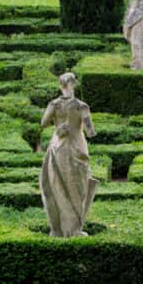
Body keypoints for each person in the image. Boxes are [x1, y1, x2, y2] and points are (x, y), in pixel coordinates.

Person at [39, 72, 98, 238]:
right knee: (76, 187)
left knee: (59, 186)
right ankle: (73, 229)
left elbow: (43, 123)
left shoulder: (54, 104)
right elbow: (91, 132)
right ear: (74, 85)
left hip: (58, 146)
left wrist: (59, 125)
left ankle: (62, 229)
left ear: (61, 86)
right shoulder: (81, 106)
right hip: (74, 148)